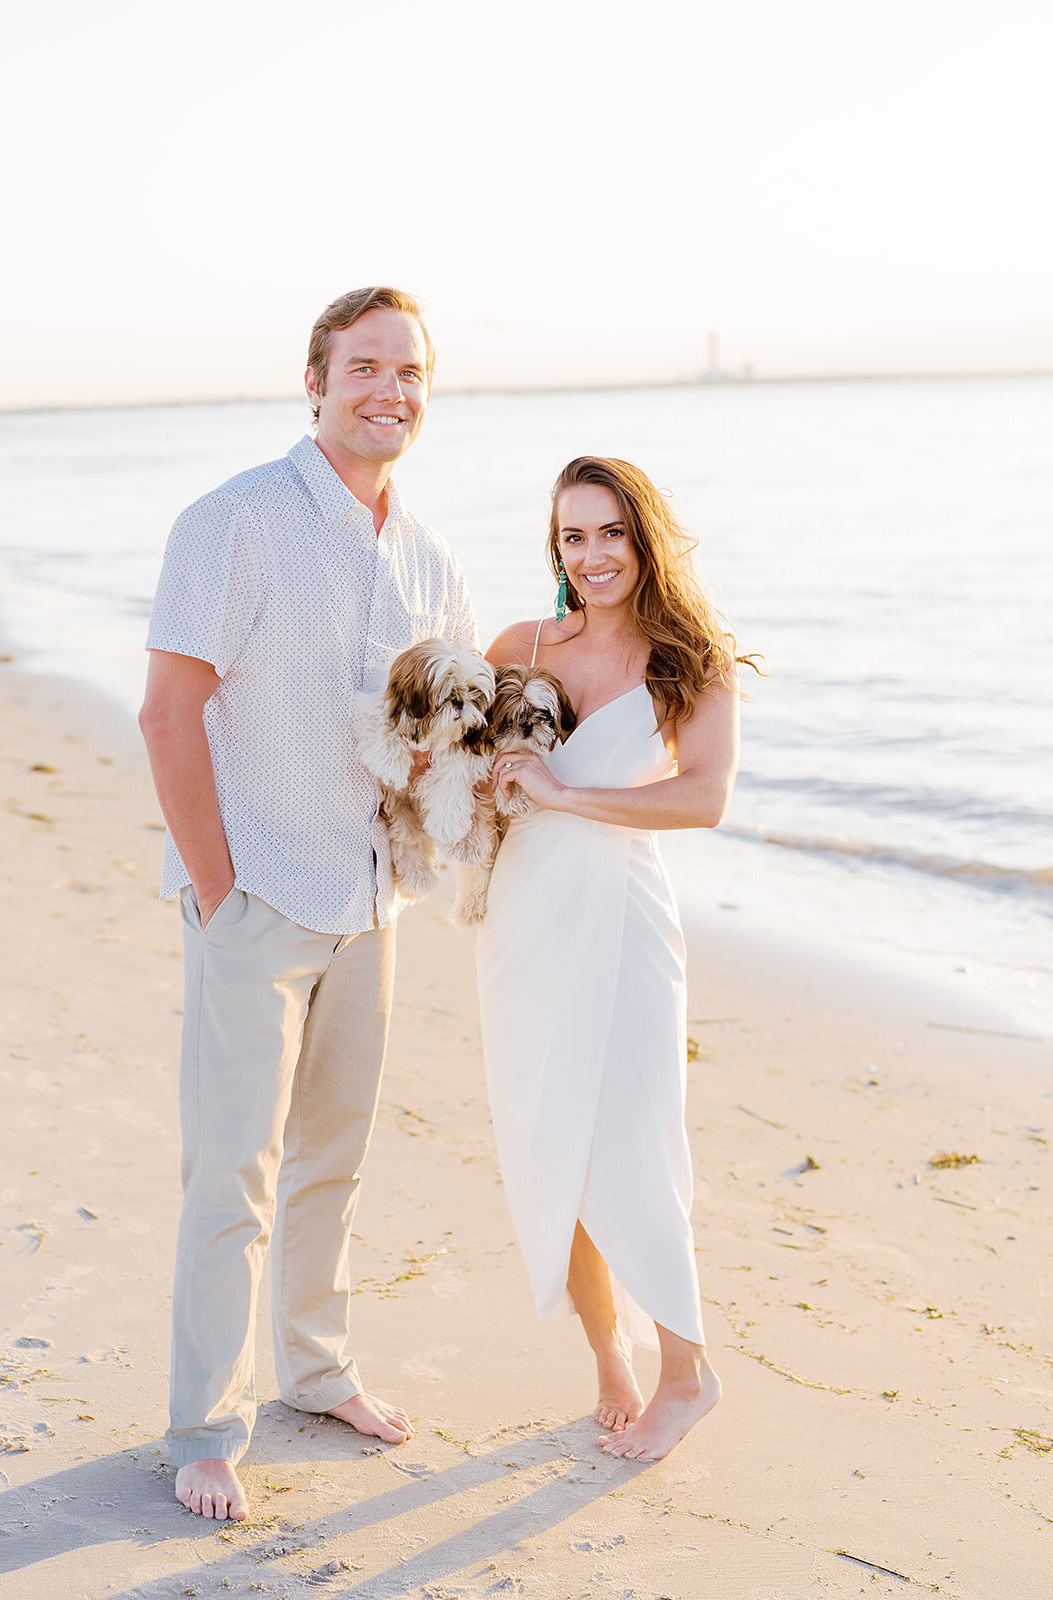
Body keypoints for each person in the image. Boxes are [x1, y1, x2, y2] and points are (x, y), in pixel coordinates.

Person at [139, 287, 477, 1520]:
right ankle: (202, 1424)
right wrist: (220, 890)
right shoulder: (234, 520)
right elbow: (168, 713)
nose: (391, 388)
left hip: (369, 902)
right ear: (318, 381)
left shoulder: (429, 555)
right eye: (367, 366)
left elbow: (435, 734)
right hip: (257, 899)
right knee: (233, 1167)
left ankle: (317, 1369)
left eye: (412, 371)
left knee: (333, 1157)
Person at [477, 455, 755, 1463]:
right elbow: (467, 769)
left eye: (610, 534)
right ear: (555, 549)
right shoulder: (520, 646)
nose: (591, 556)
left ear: (644, 539)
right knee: (551, 1145)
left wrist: (563, 793)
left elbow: (703, 798)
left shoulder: (690, 659)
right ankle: (610, 1361)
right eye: (571, 537)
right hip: (524, 920)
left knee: (631, 1146)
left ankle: (689, 1372)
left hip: (625, 919)